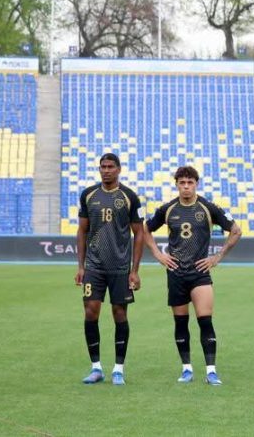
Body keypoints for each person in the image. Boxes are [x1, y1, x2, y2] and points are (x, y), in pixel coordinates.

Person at [145, 166, 242, 385]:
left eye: (190, 182)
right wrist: (159, 255)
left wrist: (217, 257)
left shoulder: (208, 207)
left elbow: (236, 230)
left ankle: (211, 371)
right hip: (176, 273)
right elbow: (145, 229)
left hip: (199, 273)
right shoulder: (168, 209)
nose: (186, 186)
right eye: (182, 183)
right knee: (180, 323)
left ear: (196, 184)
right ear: (177, 185)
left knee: (205, 321)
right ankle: (186, 369)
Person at [76, 153, 145, 386]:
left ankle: (118, 369)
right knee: (90, 311)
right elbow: (82, 231)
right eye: (103, 167)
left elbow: (139, 233)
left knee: (120, 314)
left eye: (110, 167)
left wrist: (134, 270)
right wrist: (81, 266)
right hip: (94, 266)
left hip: (120, 267)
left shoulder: (129, 197)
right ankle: (96, 367)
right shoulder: (88, 195)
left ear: (119, 169)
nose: (106, 170)